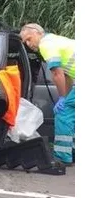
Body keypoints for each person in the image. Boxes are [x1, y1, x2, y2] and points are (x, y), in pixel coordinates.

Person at [19, 23, 75, 166]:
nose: (28, 44)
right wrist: (66, 96)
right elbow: (68, 76)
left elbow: (57, 73)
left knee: (64, 115)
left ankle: (62, 157)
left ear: (37, 33)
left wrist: (63, 98)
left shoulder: (46, 45)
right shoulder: (57, 41)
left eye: (29, 39)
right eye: (25, 42)